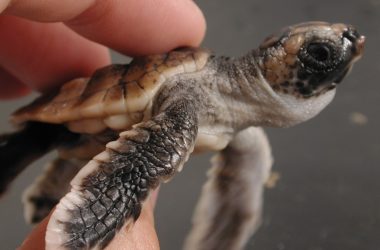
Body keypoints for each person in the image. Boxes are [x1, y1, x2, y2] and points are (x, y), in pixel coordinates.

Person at [0, 0, 206, 249]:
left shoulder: (244, 130)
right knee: (39, 138)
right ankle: (93, 202)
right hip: (109, 103)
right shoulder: (191, 100)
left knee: (45, 139)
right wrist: (116, 197)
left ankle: (59, 185)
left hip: (94, 132)